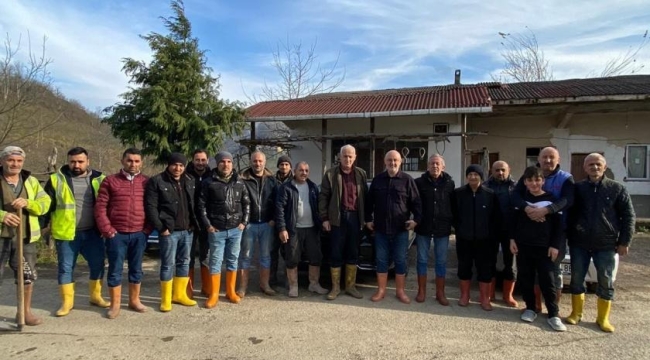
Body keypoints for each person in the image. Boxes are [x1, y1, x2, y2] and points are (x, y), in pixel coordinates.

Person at [566, 153, 635, 332]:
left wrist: (624, 241)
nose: (594, 167)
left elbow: (628, 216)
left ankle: (602, 318)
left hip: (606, 244)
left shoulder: (617, 189)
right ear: (585, 168)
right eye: (590, 165)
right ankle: (576, 313)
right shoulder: (578, 188)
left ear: (604, 167)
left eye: (598, 164)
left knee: (605, 280)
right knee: (576, 278)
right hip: (579, 243)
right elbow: (570, 213)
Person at [43, 147, 109, 317]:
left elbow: (110, 205)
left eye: (80, 161)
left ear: (88, 161)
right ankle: (67, 302)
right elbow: (45, 206)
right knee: (65, 268)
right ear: (68, 161)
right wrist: (39, 228)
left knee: (98, 264)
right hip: (66, 234)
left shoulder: (100, 179)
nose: (76, 165)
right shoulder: (56, 180)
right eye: (73, 161)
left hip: (93, 233)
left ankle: (96, 296)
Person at [512, 147, 574, 312]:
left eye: (551, 157)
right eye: (544, 157)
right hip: (529, 237)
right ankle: (534, 307)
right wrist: (527, 209)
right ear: (538, 159)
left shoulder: (566, 178)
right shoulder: (527, 176)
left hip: (554, 233)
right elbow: (515, 197)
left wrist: (547, 210)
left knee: (551, 273)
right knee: (528, 274)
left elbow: (568, 199)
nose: (548, 160)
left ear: (558, 159)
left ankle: (553, 310)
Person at [94, 148, 150, 319]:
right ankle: (115, 304)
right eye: (129, 160)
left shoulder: (147, 182)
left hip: (139, 233)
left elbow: (152, 207)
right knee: (115, 269)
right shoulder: (110, 181)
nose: (133, 164)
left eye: (136, 161)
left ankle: (134, 300)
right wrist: (108, 230)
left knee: (136, 269)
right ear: (122, 161)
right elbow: (100, 208)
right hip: (116, 234)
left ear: (141, 162)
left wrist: (147, 230)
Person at [509, 166, 566, 331]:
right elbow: (513, 222)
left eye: (537, 180)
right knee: (525, 279)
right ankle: (530, 309)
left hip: (545, 248)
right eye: (530, 180)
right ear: (525, 182)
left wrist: (555, 245)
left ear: (543, 181)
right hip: (524, 246)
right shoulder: (520, 200)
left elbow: (558, 227)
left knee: (548, 281)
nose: (534, 183)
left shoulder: (551, 201)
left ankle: (553, 314)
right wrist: (512, 239)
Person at [0, 146, 51, 326]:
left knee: (26, 276)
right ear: (2, 161)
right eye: (11, 160)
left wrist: (29, 203)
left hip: (25, 237)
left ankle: (24, 312)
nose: (15, 164)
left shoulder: (31, 181)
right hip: (1, 237)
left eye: (19, 161)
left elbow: (45, 203)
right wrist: (3, 215)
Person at [366, 150, 421, 304]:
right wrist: (367, 220)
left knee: (400, 260)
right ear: (385, 162)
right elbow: (369, 202)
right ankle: (381, 291)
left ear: (400, 161)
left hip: (400, 230)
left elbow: (416, 203)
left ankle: (400, 291)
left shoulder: (407, 180)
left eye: (395, 160)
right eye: (389, 160)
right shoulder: (377, 180)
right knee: (381, 260)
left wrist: (416, 220)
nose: (392, 163)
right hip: (381, 229)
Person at [145, 152, 198, 312]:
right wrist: (161, 228)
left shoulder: (189, 180)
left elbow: (193, 204)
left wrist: (194, 224)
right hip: (169, 231)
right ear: (169, 165)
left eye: (181, 165)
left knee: (184, 261)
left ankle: (179, 295)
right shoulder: (157, 181)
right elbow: (151, 207)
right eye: (175, 164)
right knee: (168, 264)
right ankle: (166, 299)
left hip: (187, 230)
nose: (178, 168)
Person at [197, 151, 250, 308]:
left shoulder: (240, 183)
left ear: (232, 164)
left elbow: (247, 204)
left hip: (236, 229)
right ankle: (214, 294)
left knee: (233, 260)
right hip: (217, 230)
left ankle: (230, 291)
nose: (225, 164)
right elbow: (201, 206)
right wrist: (208, 225)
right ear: (217, 163)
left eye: (228, 162)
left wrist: (244, 223)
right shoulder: (208, 183)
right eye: (222, 162)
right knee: (215, 261)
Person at [319, 145, 367, 300]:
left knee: (353, 252)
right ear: (339, 157)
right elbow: (323, 197)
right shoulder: (330, 174)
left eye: (350, 156)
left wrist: (366, 219)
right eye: (345, 156)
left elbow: (366, 197)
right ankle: (335, 288)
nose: (347, 159)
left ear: (355, 157)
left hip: (355, 218)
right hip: (337, 219)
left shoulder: (361, 174)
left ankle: (350, 287)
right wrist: (325, 218)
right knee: (335, 253)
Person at [275, 161, 328, 298]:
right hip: (293, 229)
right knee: (292, 258)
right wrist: (282, 228)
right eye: (301, 170)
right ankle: (293, 286)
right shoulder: (286, 188)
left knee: (315, 257)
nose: (304, 173)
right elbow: (279, 209)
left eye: (306, 170)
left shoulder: (312, 187)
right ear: (295, 170)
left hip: (312, 229)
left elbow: (318, 206)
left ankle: (314, 284)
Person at [452, 164, 500, 311]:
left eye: (476, 174)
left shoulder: (490, 194)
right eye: (470, 174)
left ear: (481, 176)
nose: (473, 177)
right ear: (467, 177)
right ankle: (465, 296)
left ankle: (485, 299)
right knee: (464, 267)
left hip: (484, 240)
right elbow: (454, 215)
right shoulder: (458, 193)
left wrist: (490, 235)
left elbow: (495, 218)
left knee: (485, 269)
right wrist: (459, 230)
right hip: (464, 239)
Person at [414, 154, 454, 305]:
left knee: (441, 261)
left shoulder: (450, 183)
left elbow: (452, 205)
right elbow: (415, 203)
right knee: (422, 260)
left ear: (443, 166)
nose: (435, 166)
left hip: (442, 228)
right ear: (427, 166)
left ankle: (440, 293)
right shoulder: (419, 183)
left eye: (437, 164)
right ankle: (421, 291)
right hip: (423, 226)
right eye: (432, 164)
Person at [237, 151, 278, 297]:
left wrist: (273, 219)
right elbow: (238, 202)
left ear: (265, 162)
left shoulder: (272, 180)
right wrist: (243, 221)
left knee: (265, 256)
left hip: (267, 224)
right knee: (245, 256)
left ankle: (265, 285)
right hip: (249, 224)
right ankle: (242, 287)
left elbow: (277, 202)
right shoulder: (242, 179)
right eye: (255, 161)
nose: (257, 164)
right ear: (250, 162)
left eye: (260, 161)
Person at [484, 160, 518, 307]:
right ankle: (490, 294)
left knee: (510, 264)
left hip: (510, 231)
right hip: (490, 230)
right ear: (492, 171)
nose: (500, 173)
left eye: (503, 170)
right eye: (497, 170)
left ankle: (508, 295)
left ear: (509, 169)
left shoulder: (516, 187)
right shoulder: (485, 186)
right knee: (489, 262)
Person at [185, 149, 211, 298]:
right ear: (192, 160)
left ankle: (207, 288)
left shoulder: (212, 175)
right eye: (197, 160)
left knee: (206, 256)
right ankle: (188, 289)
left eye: (203, 160)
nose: (200, 163)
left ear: (207, 160)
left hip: (207, 223)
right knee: (187, 256)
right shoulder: (185, 176)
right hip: (189, 222)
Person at [269, 155, 293, 286]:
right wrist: (272, 219)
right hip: (273, 223)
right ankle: (271, 279)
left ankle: (288, 280)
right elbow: (269, 201)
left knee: (288, 253)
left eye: (286, 164)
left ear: (290, 166)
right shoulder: (271, 181)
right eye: (281, 164)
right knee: (272, 252)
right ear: (278, 166)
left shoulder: (295, 180)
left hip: (289, 223)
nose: (284, 167)